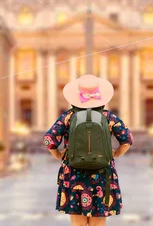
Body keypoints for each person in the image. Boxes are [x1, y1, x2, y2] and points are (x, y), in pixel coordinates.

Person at [43, 74, 133, 226]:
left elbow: (48, 139)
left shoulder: (68, 116)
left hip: (73, 174)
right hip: (103, 175)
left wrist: (58, 154)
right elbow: (127, 139)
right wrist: (115, 153)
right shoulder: (108, 116)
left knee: (78, 223)